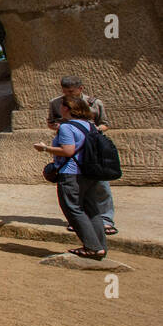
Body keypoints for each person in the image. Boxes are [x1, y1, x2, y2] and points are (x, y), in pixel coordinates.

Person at [36, 95, 107, 260]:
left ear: (67, 109)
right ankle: (100, 246)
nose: (59, 108)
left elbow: (68, 151)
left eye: (62, 106)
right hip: (89, 173)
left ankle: (92, 247)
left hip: (71, 173)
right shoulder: (90, 126)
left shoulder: (66, 128)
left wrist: (45, 148)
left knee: (72, 208)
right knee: (92, 210)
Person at [46, 76, 116, 236]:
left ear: (80, 89)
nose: (68, 95)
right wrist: (59, 127)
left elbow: (105, 123)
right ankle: (80, 221)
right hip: (70, 147)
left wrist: (92, 130)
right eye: (65, 91)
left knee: (100, 186)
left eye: (71, 91)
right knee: (75, 188)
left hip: (91, 148)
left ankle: (105, 220)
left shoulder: (94, 103)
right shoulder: (56, 103)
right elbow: (50, 122)